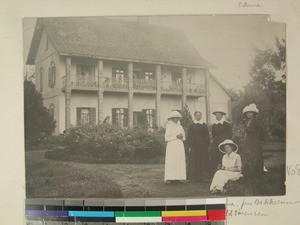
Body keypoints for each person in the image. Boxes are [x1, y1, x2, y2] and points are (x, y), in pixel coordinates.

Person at [242, 103, 266, 180]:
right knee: (248, 156)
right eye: (247, 113)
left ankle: (256, 174)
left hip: (255, 141)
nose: (249, 114)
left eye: (251, 113)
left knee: (255, 156)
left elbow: (262, 132)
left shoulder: (256, 121)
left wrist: (257, 138)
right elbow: (245, 131)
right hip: (247, 141)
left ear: (254, 113)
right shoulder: (245, 121)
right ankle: (249, 174)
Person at [186, 111, 210, 181]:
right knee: (194, 160)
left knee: (202, 160)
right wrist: (189, 146)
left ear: (201, 116)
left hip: (203, 145)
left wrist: (207, 144)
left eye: (199, 115)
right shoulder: (191, 125)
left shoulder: (204, 125)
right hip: (194, 145)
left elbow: (207, 136)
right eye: (197, 115)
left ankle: (202, 177)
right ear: (194, 116)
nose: (198, 117)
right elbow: (189, 136)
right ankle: (193, 177)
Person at [164, 110, 186, 183]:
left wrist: (181, 137)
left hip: (179, 145)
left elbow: (184, 137)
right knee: (172, 161)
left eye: (177, 118)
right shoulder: (169, 126)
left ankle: (178, 177)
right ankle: (170, 178)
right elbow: (166, 138)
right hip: (172, 146)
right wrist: (176, 136)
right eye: (174, 118)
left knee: (178, 160)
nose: (176, 119)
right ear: (171, 119)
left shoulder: (180, 126)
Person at [211, 109, 233, 174]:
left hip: (224, 142)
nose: (218, 116)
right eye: (216, 115)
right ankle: (216, 171)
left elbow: (230, 134)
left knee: (223, 155)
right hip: (216, 142)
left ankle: (225, 170)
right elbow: (213, 134)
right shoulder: (214, 125)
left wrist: (227, 142)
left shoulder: (226, 124)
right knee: (215, 155)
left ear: (222, 116)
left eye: (219, 115)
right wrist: (215, 141)